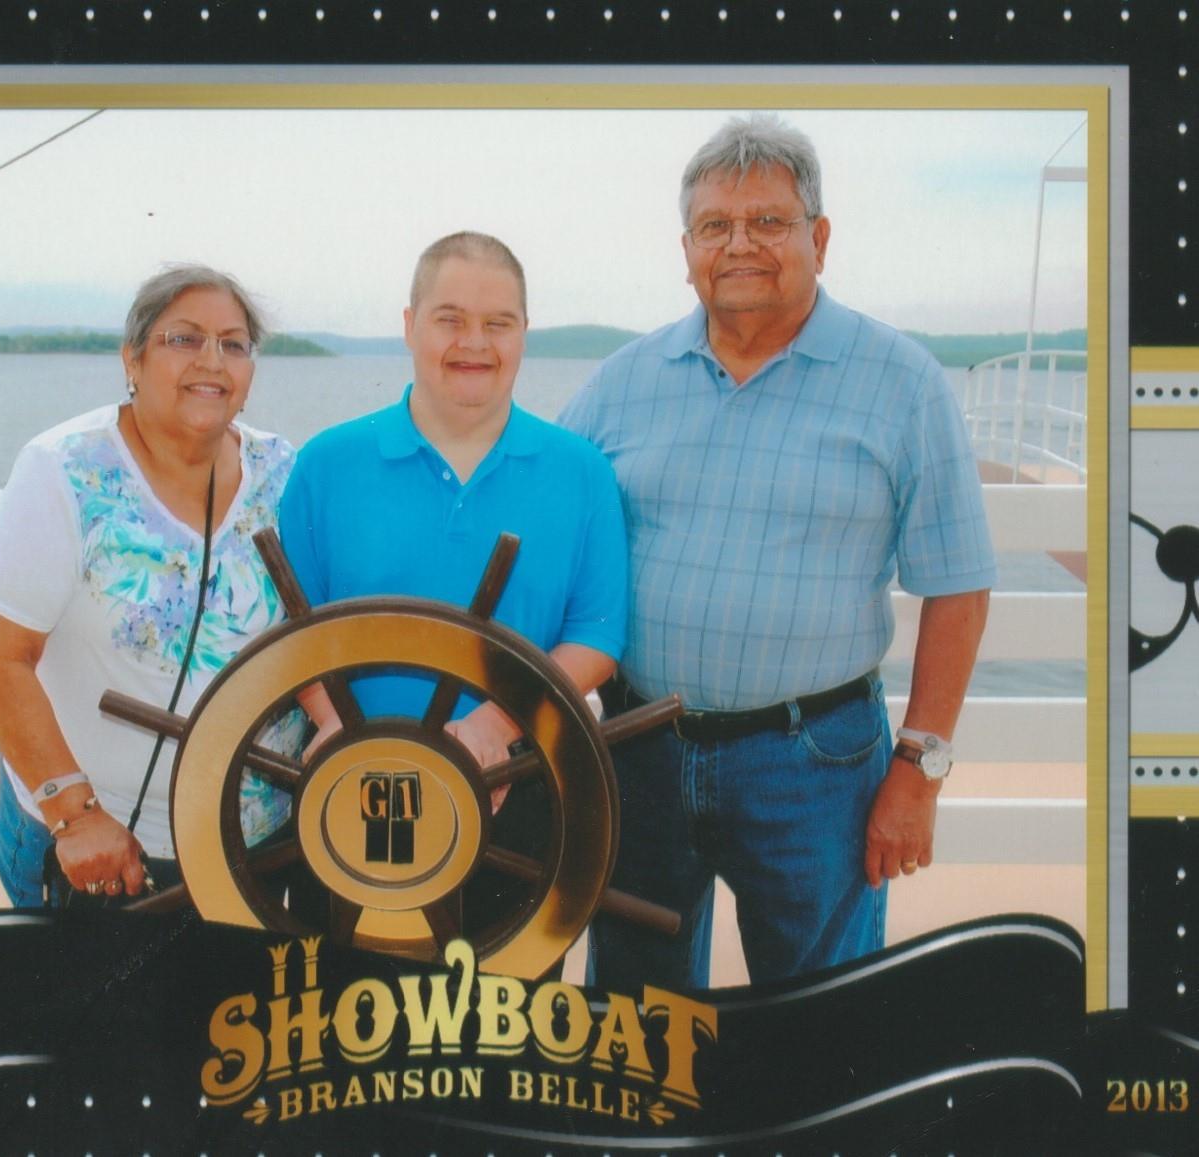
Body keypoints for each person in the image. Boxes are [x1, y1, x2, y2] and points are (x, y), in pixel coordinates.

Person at [560, 113, 996, 991]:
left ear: (819, 238)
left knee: (820, 1021)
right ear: (685, 247)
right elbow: (550, 538)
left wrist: (918, 770)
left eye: (768, 221)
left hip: (815, 766)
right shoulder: (621, 381)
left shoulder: (902, 382)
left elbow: (957, 586)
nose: (740, 244)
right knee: (637, 1024)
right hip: (638, 749)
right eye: (715, 225)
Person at [278, 231, 628, 935]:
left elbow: (597, 635)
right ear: (409, 325)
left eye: (497, 322)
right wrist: (339, 727)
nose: (475, 342)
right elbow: (292, 628)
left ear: (524, 335)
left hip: (524, 794)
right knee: (342, 1029)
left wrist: (489, 731)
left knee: (508, 1035)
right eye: (450, 319)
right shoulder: (326, 464)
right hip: (348, 790)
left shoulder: (581, 471)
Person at [0, 264, 302, 905]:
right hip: (103, 847)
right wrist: (74, 814)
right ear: (133, 359)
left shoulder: (284, 472)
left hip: (253, 851)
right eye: (184, 339)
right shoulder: (65, 470)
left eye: (234, 344)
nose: (213, 360)